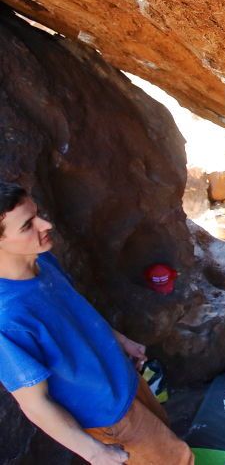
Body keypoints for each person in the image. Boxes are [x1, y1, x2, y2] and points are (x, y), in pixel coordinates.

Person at [0, 181, 193, 464]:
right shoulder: (8, 316)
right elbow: (34, 403)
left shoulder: (41, 261)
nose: (45, 224)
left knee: (168, 438)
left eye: (38, 213)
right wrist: (95, 452)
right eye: (28, 225)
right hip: (107, 413)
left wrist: (120, 341)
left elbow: (77, 313)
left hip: (124, 379)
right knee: (178, 459)